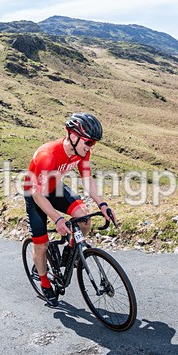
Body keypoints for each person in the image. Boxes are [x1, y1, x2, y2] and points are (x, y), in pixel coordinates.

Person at [23, 113, 116, 306]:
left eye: (94, 144)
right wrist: (57, 219)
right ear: (73, 136)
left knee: (84, 219)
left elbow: (87, 179)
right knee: (40, 245)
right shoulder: (47, 156)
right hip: (36, 195)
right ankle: (45, 282)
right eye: (89, 142)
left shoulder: (82, 151)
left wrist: (102, 204)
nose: (91, 147)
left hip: (55, 188)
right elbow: (38, 195)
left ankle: (69, 252)